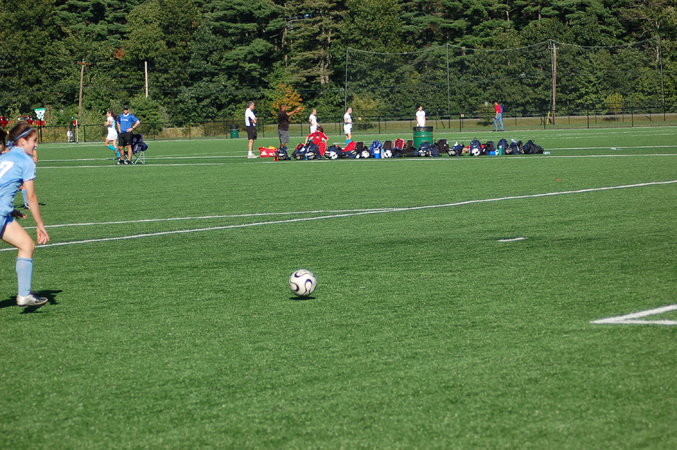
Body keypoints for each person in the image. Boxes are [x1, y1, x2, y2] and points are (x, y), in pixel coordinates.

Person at [0, 122, 50, 306]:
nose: (36, 145)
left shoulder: (4, 156)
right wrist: (40, 224)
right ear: (22, 141)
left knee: (26, 245)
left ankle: (24, 295)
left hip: (3, 215)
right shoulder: (25, 161)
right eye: (34, 141)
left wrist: (9, 209)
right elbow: (31, 197)